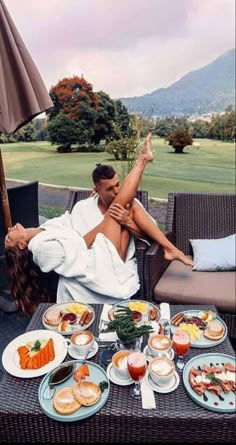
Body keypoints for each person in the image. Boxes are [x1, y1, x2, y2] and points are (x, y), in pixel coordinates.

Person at [5, 133, 193, 315]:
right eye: (109, 189)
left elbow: (147, 237)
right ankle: (142, 161)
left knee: (129, 206)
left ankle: (170, 248)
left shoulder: (49, 227)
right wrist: (107, 221)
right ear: (96, 190)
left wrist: (127, 223)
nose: (117, 191)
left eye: (118, 185)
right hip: (101, 261)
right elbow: (78, 245)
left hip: (118, 254)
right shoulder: (40, 246)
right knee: (124, 204)